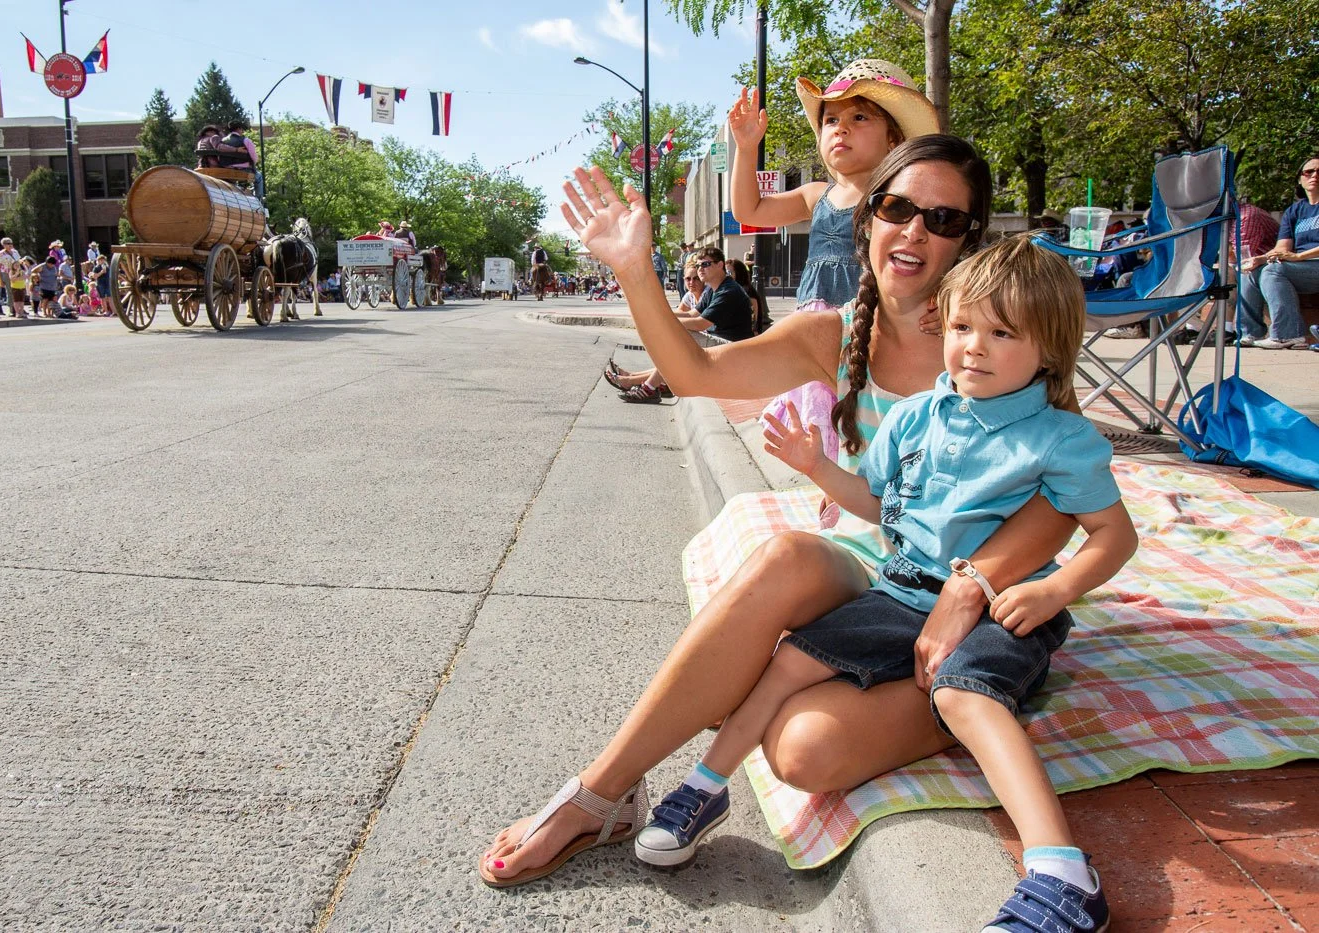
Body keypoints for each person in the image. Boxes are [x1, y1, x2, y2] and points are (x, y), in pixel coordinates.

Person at [483, 138, 1087, 925]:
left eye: (942, 219)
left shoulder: (994, 338)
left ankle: (977, 687)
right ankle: (602, 793)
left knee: (802, 752)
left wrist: (971, 587)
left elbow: (1066, 499)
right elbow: (697, 376)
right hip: (877, 576)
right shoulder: (830, 335)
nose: (913, 232)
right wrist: (635, 274)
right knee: (786, 556)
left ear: (969, 238)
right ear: (870, 214)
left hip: (975, 597)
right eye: (898, 207)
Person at [638, 239, 1133, 933]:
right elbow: (879, 506)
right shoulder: (916, 416)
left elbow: (1116, 535)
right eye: (962, 327)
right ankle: (705, 784)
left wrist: (1056, 591)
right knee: (789, 659)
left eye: (1001, 333)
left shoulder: (1060, 438)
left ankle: (1062, 873)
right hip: (901, 589)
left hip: (1000, 605)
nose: (974, 348)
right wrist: (817, 467)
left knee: (967, 691)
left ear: (1050, 349)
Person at [728, 60, 939, 462]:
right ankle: (832, 496)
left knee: (866, 417)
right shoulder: (816, 194)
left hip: (872, 325)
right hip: (819, 330)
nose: (840, 127)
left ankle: (867, 489)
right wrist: (746, 148)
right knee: (819, 421)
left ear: (894, 139)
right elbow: (749, 209)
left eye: (859, 117)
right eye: (831, 120)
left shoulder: (900, 200)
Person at [1239, 155, 1319, 349]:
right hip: (1300, 268)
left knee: (1273, 271)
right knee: (1251, 271)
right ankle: (1250, 333)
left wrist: (1299, 256)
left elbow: (1292, 255)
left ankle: (1289, 335)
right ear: (1300, 178)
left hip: (1312, 263)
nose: (1314, 175)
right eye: (1309, 172)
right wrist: (1259, 258)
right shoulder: (1295, 211)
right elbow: (1282, 248)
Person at [604, 259, 709, 396]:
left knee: (677, 348)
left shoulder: (707, 294)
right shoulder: (689, 296)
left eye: (695, 279)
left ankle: (633, 381)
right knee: (673, 348)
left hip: (710, 347)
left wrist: (657, 314)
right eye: (688, 279)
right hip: (700, 344)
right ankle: (631, 377)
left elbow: (692, 318)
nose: (691, 283)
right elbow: (678, 315)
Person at [0, 238, 22, 316]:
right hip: (6, 273)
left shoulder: (15, 252)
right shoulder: (1, 254)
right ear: (3, 245)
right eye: (8, 243)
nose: (10, 244)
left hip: (16, 272)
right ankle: (11, 309)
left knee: (19, 290)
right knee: (10, 291)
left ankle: (19, 308)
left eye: (11, 243)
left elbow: (19, 262)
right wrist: (0, 279)